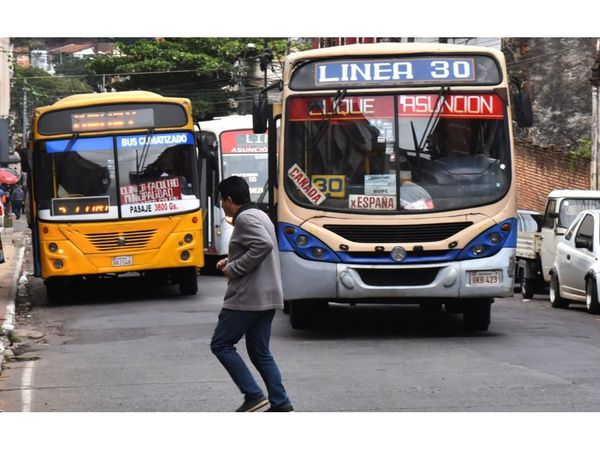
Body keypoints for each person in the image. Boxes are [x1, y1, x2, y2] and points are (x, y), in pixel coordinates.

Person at [210, 176, 293, 412]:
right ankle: (280, 403)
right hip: (268, 296)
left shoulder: (245, 218)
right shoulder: (260, 215)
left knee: (221, 344)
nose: (222, 206)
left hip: (247, 297)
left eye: (222, 201)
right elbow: (257, 248)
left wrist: (233, 268)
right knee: (260, 352)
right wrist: (230, 260)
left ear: (228, 199)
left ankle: (253, 395)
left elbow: (262, 245)